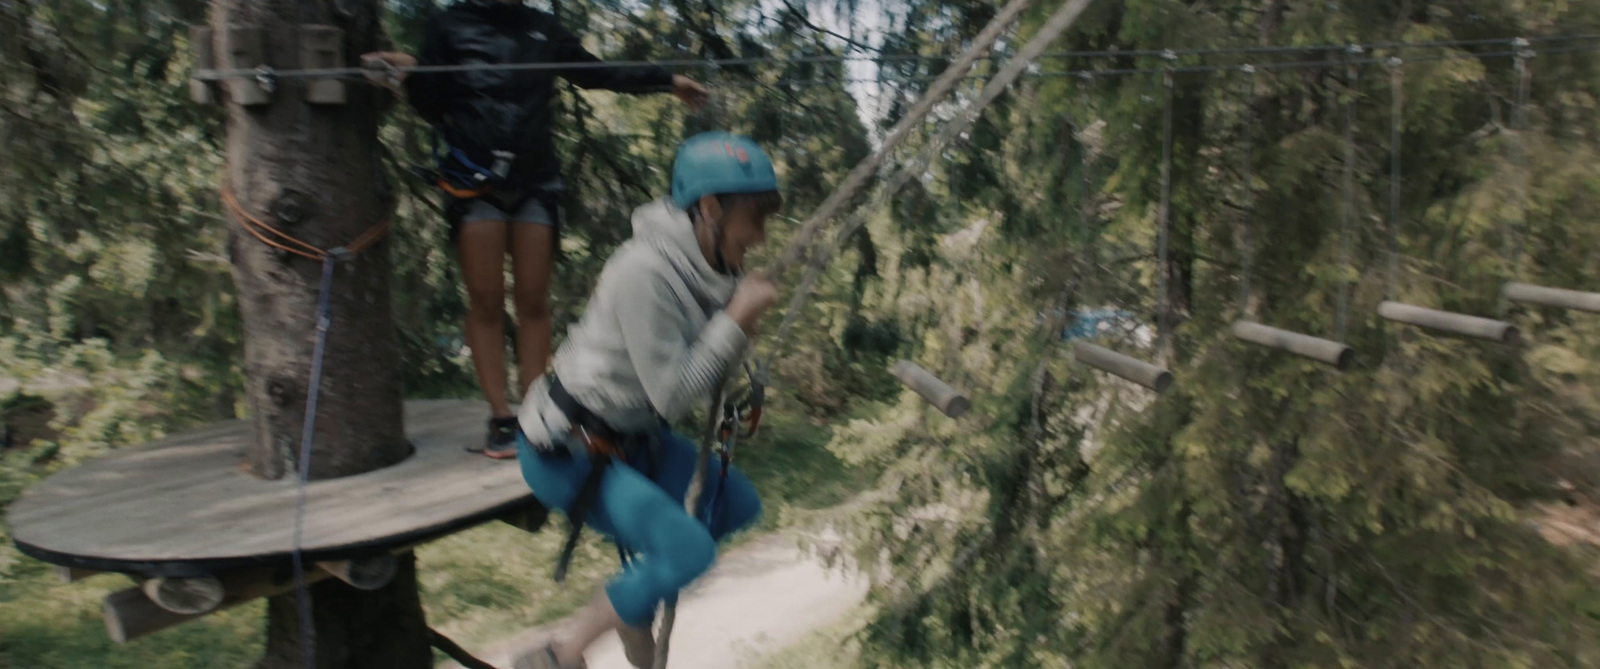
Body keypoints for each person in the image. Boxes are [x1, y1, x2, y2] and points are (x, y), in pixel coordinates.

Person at [363, 0, 709, 457]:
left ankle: (533, 409)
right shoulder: (450, 25)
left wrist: (666, 81)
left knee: (533, 300)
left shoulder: (543, 28)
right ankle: (500, 418)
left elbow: (595, 73)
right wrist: (412, 73)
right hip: (474, 183)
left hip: (535, 181)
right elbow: (433, 107)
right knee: (485, 301)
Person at [510, 131, 780, 669]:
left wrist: (737, 322)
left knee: (737, 504)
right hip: (569, 451)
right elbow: (672, 397)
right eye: (755, 217)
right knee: (688, 549)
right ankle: (561, 654)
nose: (761, 236)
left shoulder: (713, 270)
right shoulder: (643, 271)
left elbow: (708, 367)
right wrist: (735, 319)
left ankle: (634, 606)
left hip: (631, 441)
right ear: (709, 208)